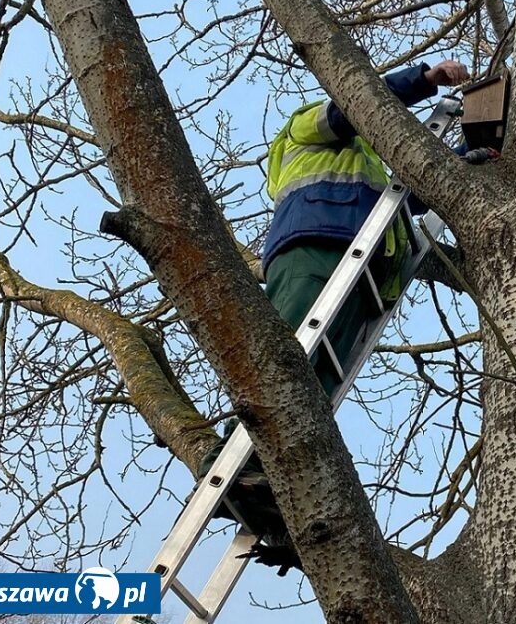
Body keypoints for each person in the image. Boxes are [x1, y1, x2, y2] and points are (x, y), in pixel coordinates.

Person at [198, 60, 471, 574]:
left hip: (359, 267)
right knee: (286, 361)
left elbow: (401, 202)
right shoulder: (303, 129)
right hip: (314, 246)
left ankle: (271, 481)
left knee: (319, 378)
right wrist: (425, 78)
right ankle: (231, 464)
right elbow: (352, 111)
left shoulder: (365, 165)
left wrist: (465, 161)